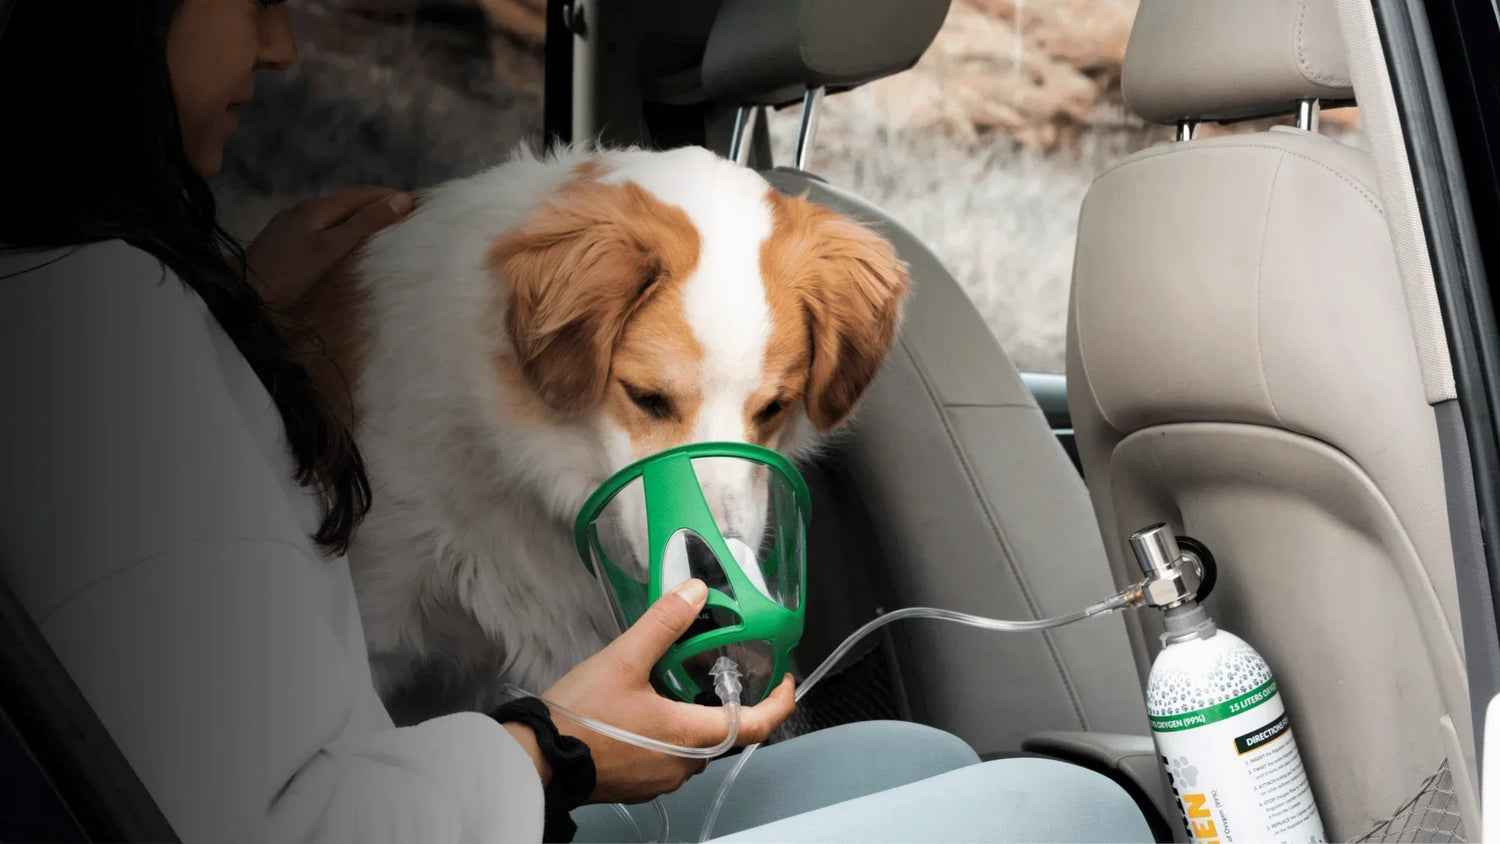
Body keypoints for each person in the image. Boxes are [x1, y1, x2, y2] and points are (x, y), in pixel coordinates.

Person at [0, 1, 1156, 842]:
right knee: (1081, 808)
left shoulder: (111, 312)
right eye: (248, 1)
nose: (285, 44)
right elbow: (265, 818)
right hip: (393, 811)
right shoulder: (111, 332)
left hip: (420, 798)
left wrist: (238, 304)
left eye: (765, 411)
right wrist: (548, 749)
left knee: (922, 757)